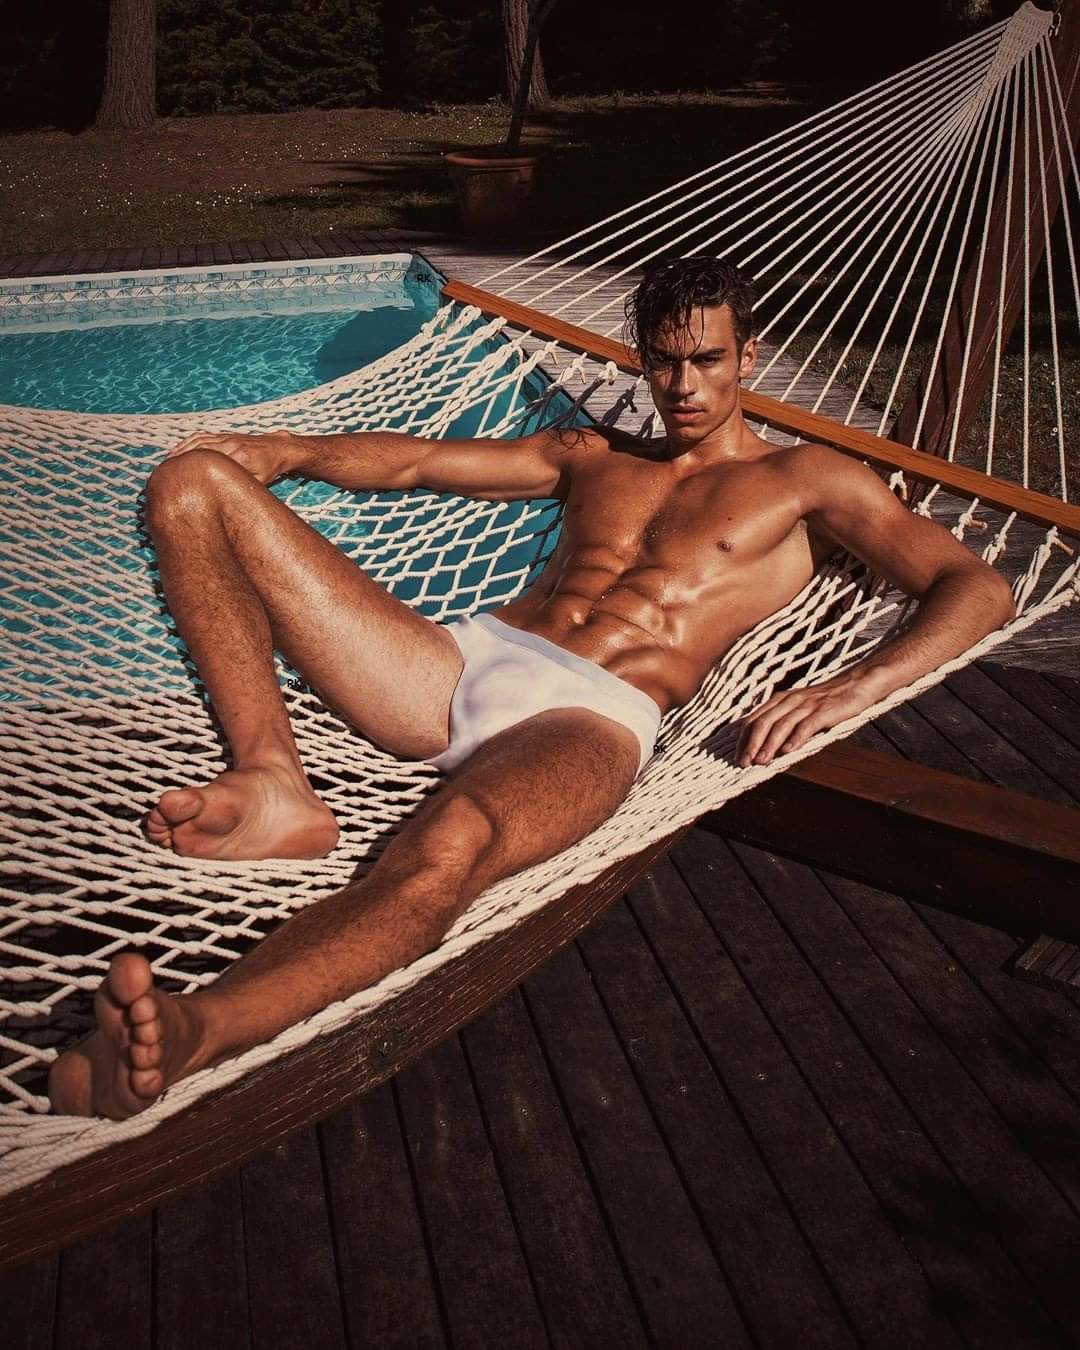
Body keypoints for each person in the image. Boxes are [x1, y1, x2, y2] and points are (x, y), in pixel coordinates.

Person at [48, 255, 1014, 1119]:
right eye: (664, 361)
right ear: (642, 358)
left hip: (588, 716)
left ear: (748, 357)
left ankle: (200, 1029)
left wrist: (852, 688)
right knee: (194, 483)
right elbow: (418, 462)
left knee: (447, 852)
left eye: (708, 360)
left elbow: (976, 586)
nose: (683, 386)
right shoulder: (592, 455)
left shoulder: (808, 480)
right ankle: (273, 782)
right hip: (457, 664)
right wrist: (292, 449)